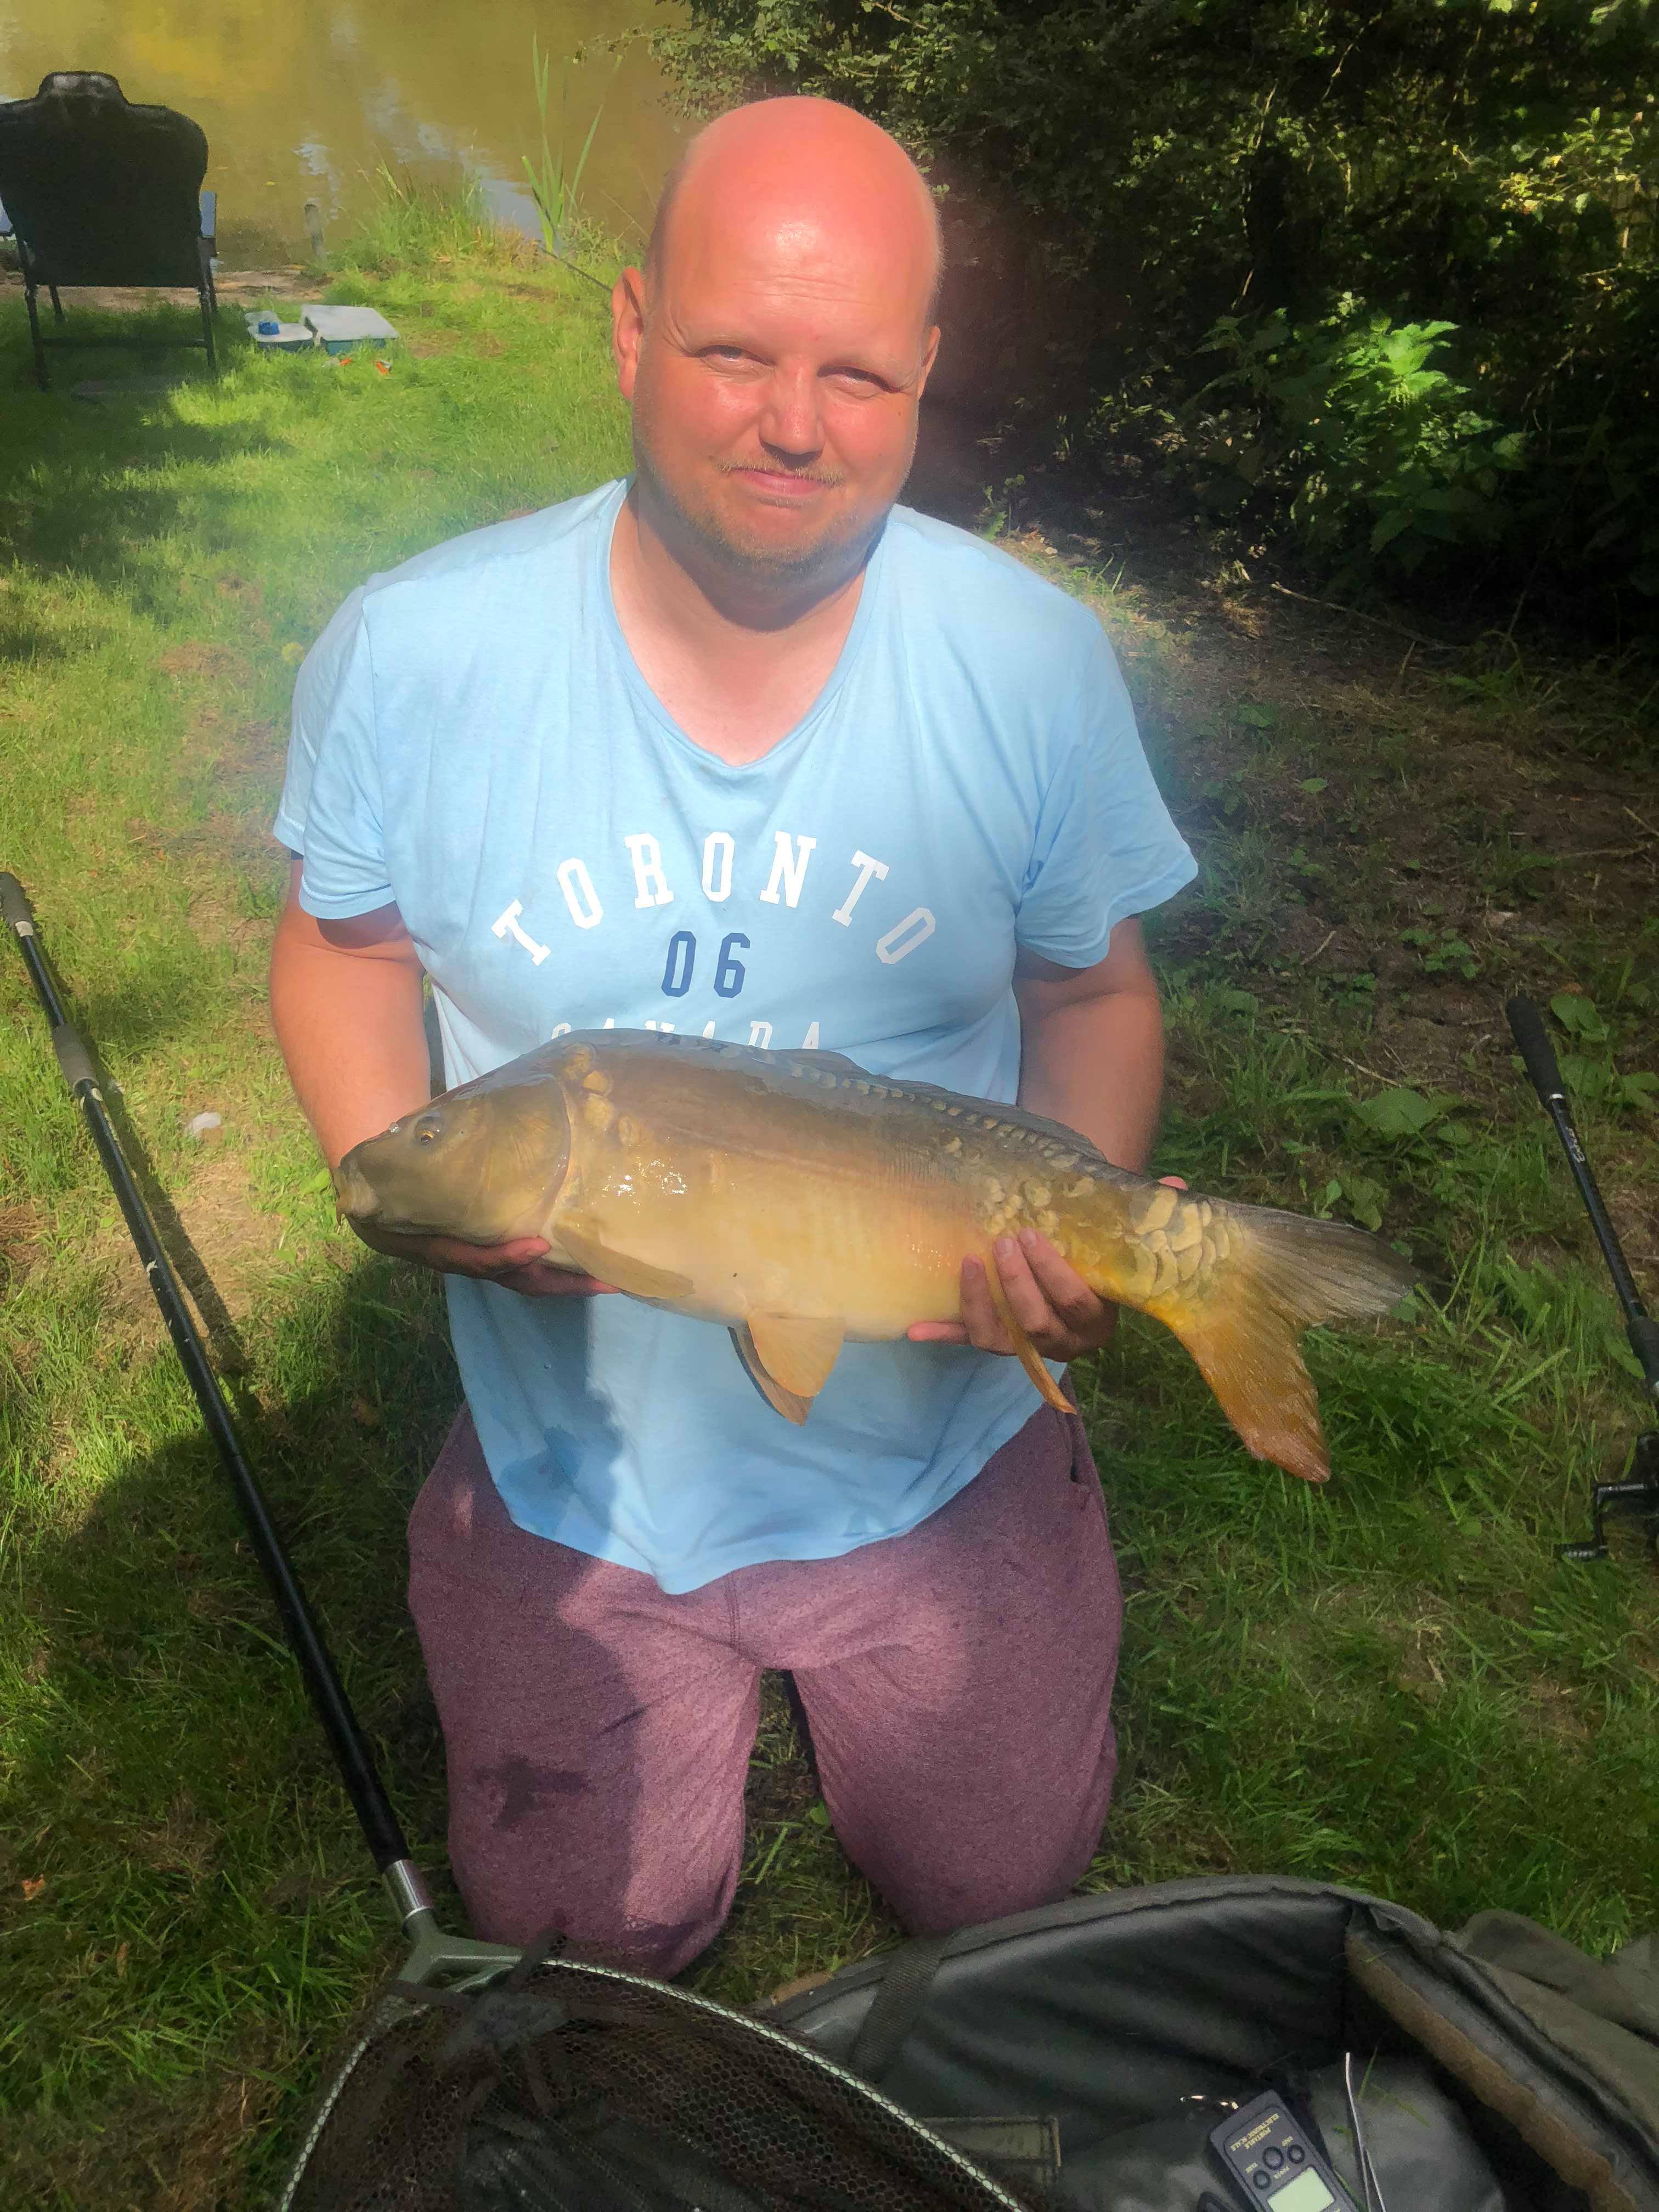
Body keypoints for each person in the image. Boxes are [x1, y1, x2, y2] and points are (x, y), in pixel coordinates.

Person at [268, 96, 1195, 1979]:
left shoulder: (1031, 664)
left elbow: (1093, 994)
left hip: (937, 1443)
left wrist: (1076, 1232)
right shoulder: (418, 651)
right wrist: (396, 1175)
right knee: (586, 1938)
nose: (794, 424)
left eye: (857, 374)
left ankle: (980, 1569)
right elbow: (340, 950)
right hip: (579, 1463)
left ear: (924, 371)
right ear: (631, 331)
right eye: (733, 354)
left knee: (1002, 1888)